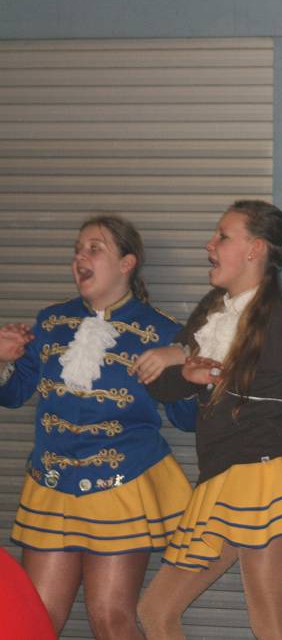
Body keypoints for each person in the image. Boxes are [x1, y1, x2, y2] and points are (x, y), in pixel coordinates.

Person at [137, 200, 282, 640]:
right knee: (155, 611)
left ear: (255, 249)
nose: (210, 244)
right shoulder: (212, 310)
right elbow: (165, 389)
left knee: (269, 621)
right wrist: (183, 371)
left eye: (223, 236)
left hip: (266, 475)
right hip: (220, 476)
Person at [0, 215, 195, 639]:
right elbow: (12, 394)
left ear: (127, 263)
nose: (80, 257)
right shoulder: (50, 322)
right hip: (52, 482)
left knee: (110, 618)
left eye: (94, 248)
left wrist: (187, 368)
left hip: (121, 485)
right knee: (36, 619)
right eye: (77, 249)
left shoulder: (163, 331)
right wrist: (2, 358)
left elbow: (188, 419)